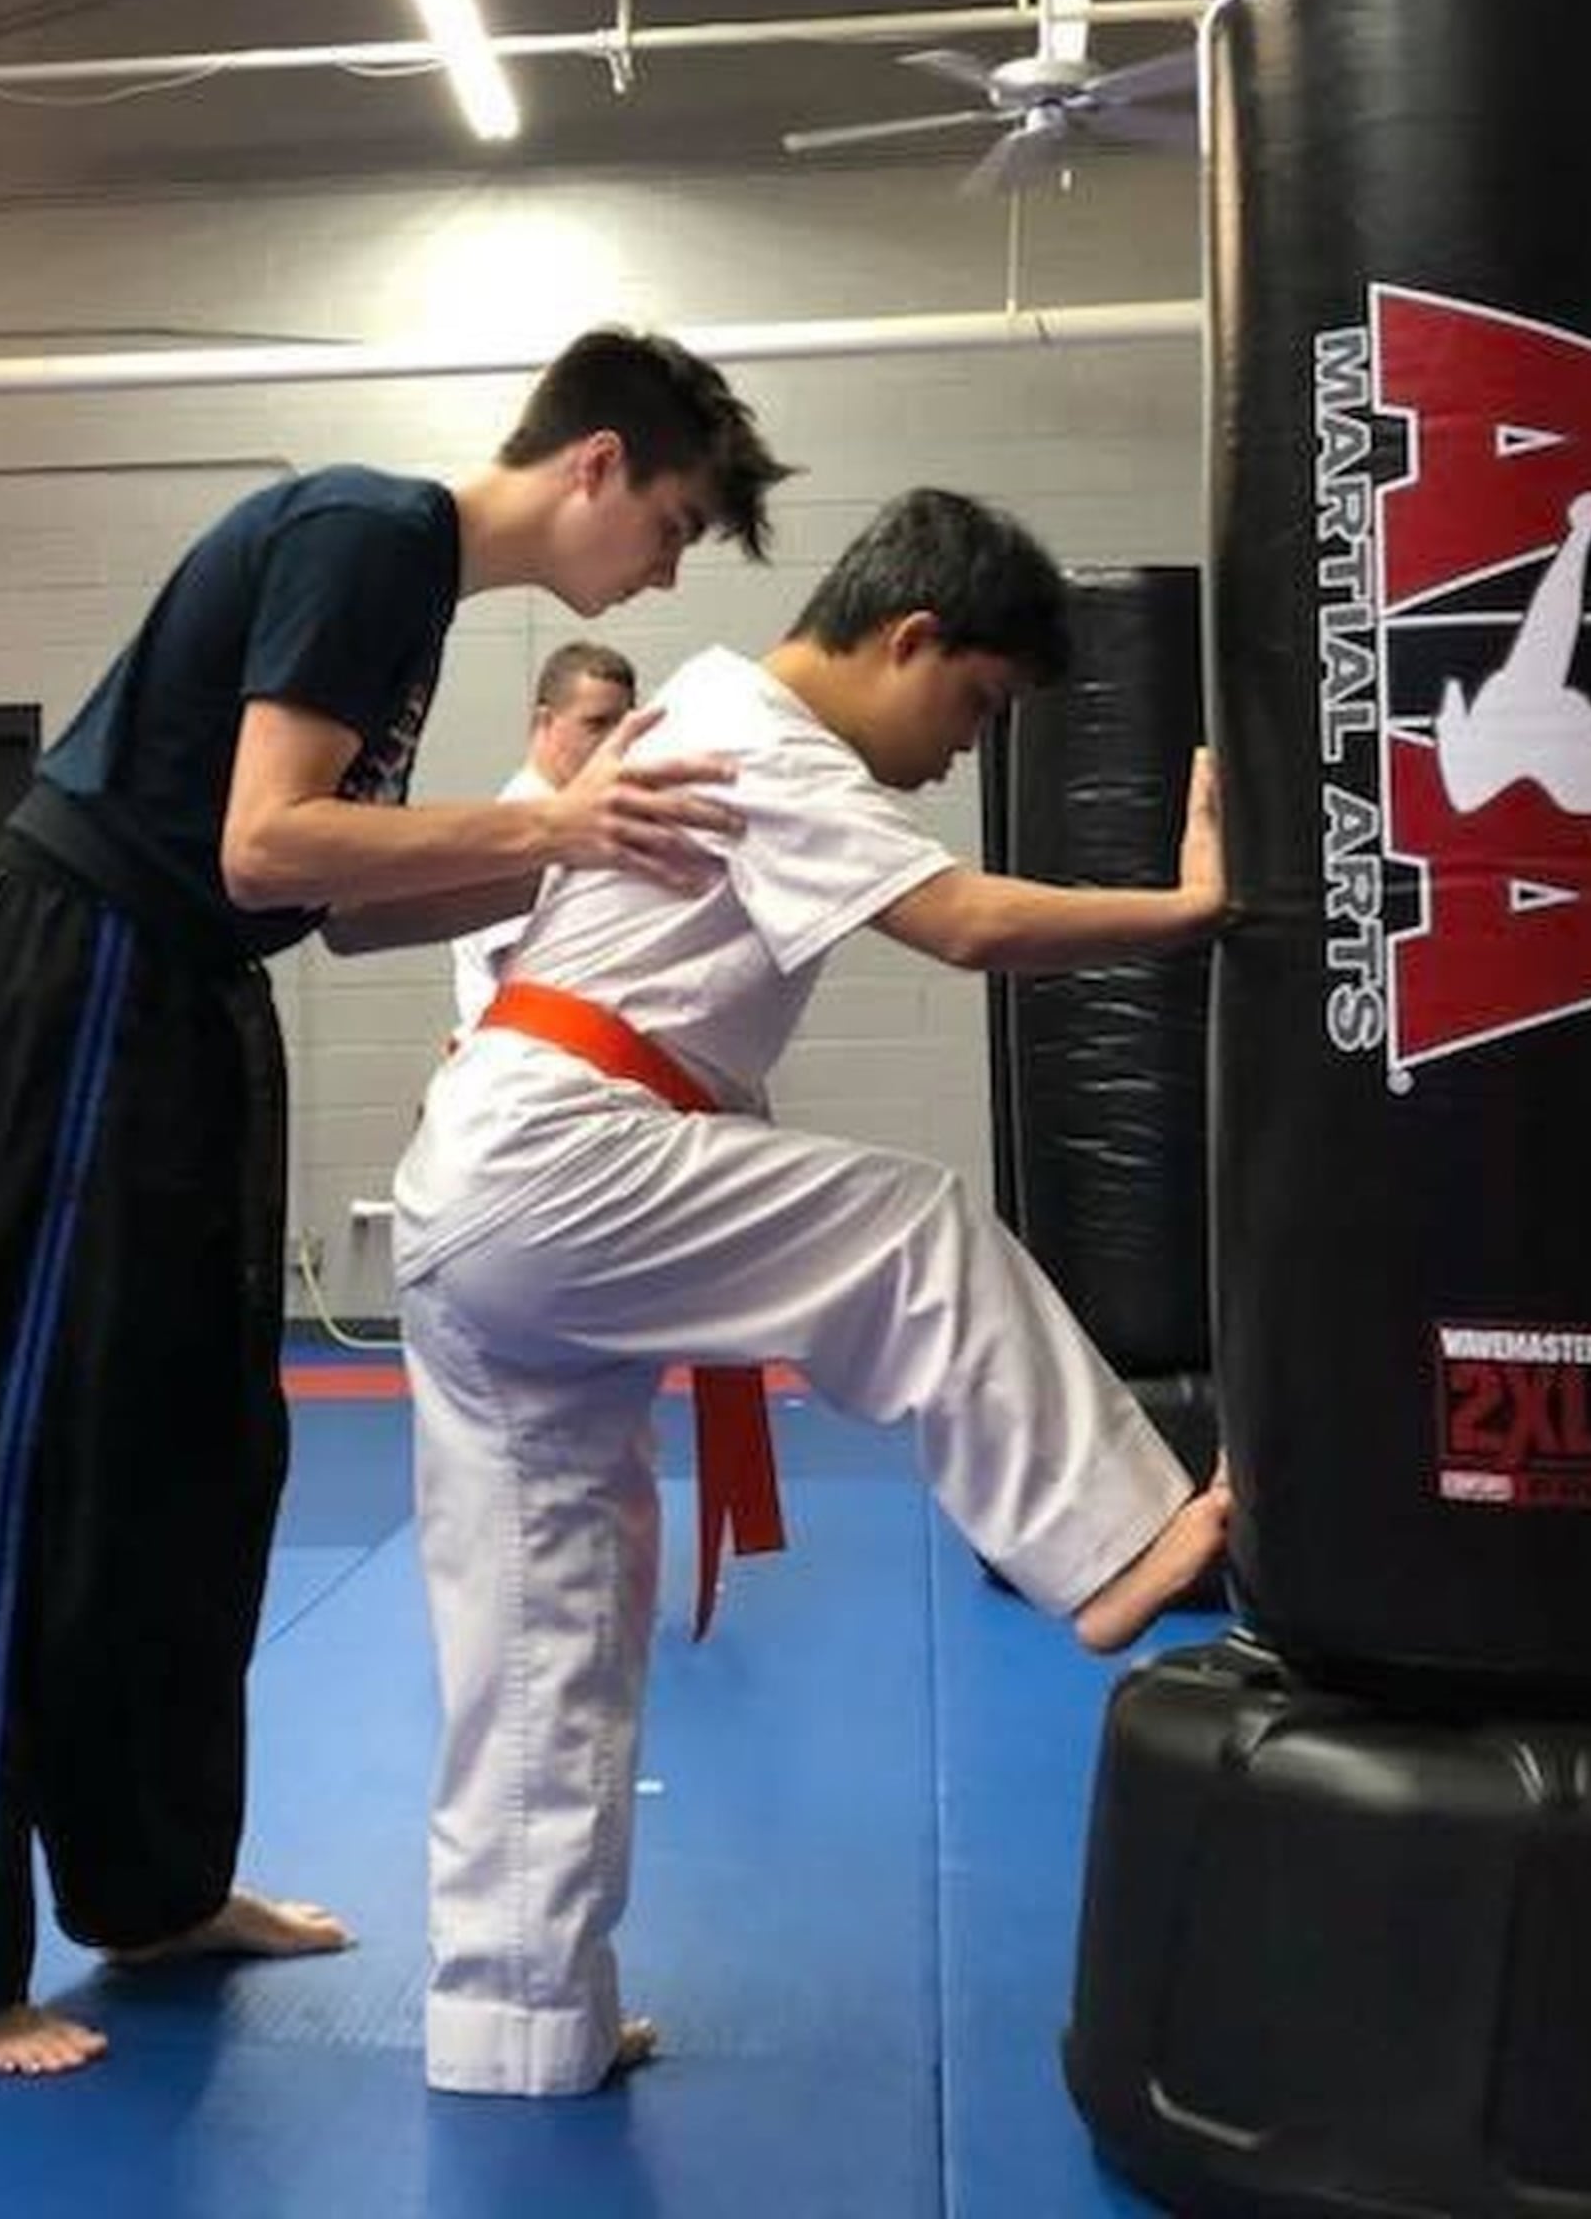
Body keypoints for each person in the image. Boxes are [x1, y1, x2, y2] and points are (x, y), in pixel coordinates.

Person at [0, 327, 796, 2079]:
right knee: (31, 1462)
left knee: (204, 1460)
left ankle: (149, 1886)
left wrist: (579, 861)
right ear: (594, 464)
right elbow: (265, 844)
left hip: (197, 990)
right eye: (670, 526)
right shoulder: (368, 531)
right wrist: (560, 828)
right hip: (84, 975)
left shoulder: (410, 599)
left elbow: (344, 910)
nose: (666, 572)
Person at [388, 488, 1231, 2099]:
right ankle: (1111, 1545)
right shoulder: (766, 741)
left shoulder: (705, 715)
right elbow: (966, 924)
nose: (965, 751)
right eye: (975, 704)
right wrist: (1186, 916)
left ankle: (519, 2026)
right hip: (558, 1161)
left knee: (545, 1630)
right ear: (910, 638)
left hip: (488, 1187)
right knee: (915, 1231)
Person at [447, 640, 642, 1031]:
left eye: (623, 726)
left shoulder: (576, 823)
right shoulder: (520, 829)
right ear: (544, 723)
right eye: (596, 724)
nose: (614, 743)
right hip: (528, 1049)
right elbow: (536, 976)